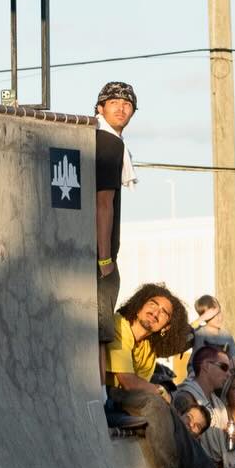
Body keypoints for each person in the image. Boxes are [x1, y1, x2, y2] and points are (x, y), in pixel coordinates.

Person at [103, 283, 235, 468]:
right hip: (109, 395)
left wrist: (164, 398)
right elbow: (127, 381)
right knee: (156, 403)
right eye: (152, 304)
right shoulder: (121, 325)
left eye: (164, 313)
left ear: (166, 325)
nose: (156, 312)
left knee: (173, 414)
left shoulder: (149, 347)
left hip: (129, 400)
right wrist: (160, 390)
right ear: (139, 305)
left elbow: (183, 339)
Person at [94, 81, 137, 362]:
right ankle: (99, 389)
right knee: (99, 334)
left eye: (127, 104)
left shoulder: (94, 138)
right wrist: (105, 260)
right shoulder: (109, 143)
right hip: (99, 259)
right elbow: (104, 203)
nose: (121, 108)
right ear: (100, 108)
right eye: (114, 103)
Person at [190, 296, 235, 372]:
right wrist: (200, 319)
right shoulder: (198, 332)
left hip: (222, 374)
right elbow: (185, 333)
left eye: (219, 313)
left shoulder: (226, 335)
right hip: (199, 374)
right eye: (213, 315)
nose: (218, 318)